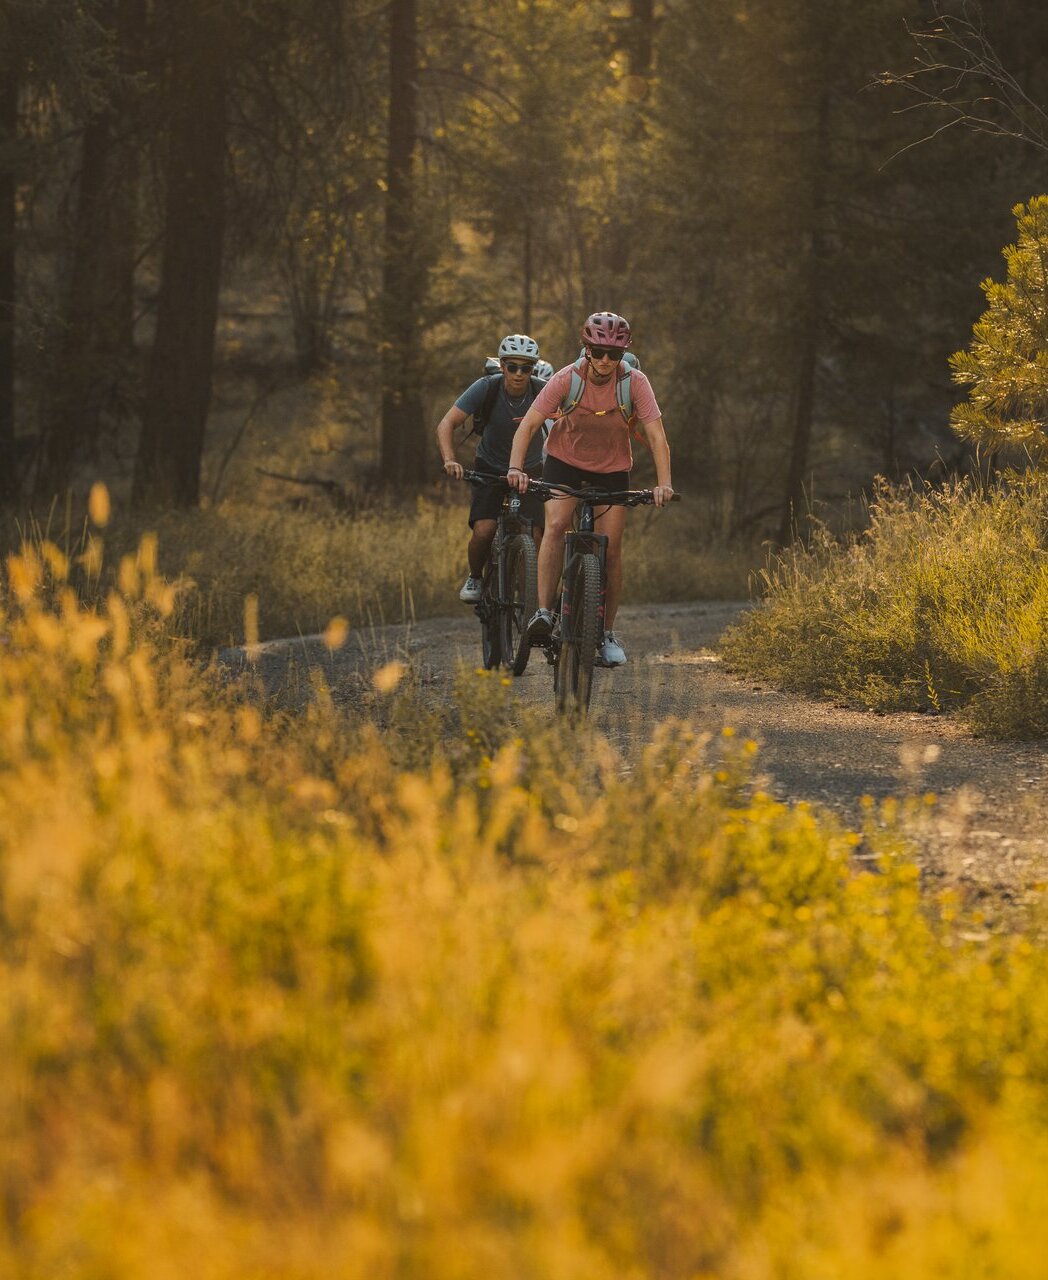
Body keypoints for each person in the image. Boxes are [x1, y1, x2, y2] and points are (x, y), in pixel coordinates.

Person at [506, 311, 672, 666]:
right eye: (598, 352)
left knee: (611, 551)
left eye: (614, 354)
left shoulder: (635, 382)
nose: (605, 361)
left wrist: (664, 484)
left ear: (624, 352)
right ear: (587, 348)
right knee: (554, 526)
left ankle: (608, 632)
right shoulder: (567, 379)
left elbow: (657, 437)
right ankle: (544, 613)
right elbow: (530, 425)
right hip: (564, 462)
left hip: (612, 469)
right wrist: (516, 469)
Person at [436, 333, 547, 602]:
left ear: (533, 368)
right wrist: (450, 460)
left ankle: (530, 595)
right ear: (501, 365)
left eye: (526, 368)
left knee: (536, 534)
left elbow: (566, 426)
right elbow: (446, 424)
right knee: (484, 530)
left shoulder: (544, 389)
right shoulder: (486, 387)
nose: (519, 374)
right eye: (512, 366)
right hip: (491, 466)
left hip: (531, 469)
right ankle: (475, 576)